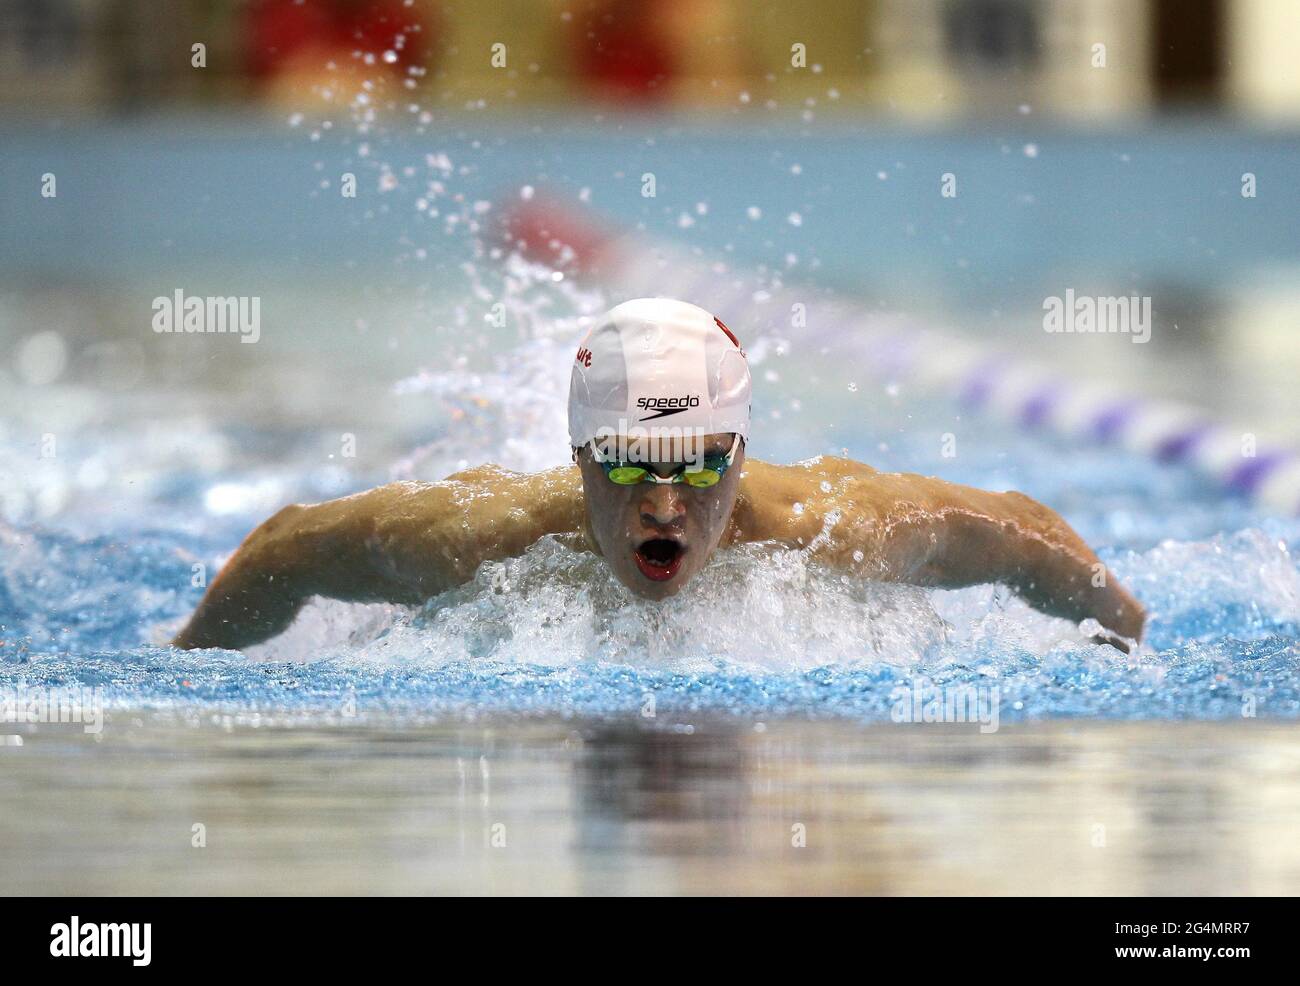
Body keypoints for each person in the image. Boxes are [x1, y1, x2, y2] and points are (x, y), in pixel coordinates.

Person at [173, 298, 1146, 652]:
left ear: (741, 456)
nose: (666, 505)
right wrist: (185, 673)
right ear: (578, 459)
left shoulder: (832, 526)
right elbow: (283, 548)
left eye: (697, 466)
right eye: (631, 465)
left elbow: (1018, 526)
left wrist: (1125, 641)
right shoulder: (476, 538)